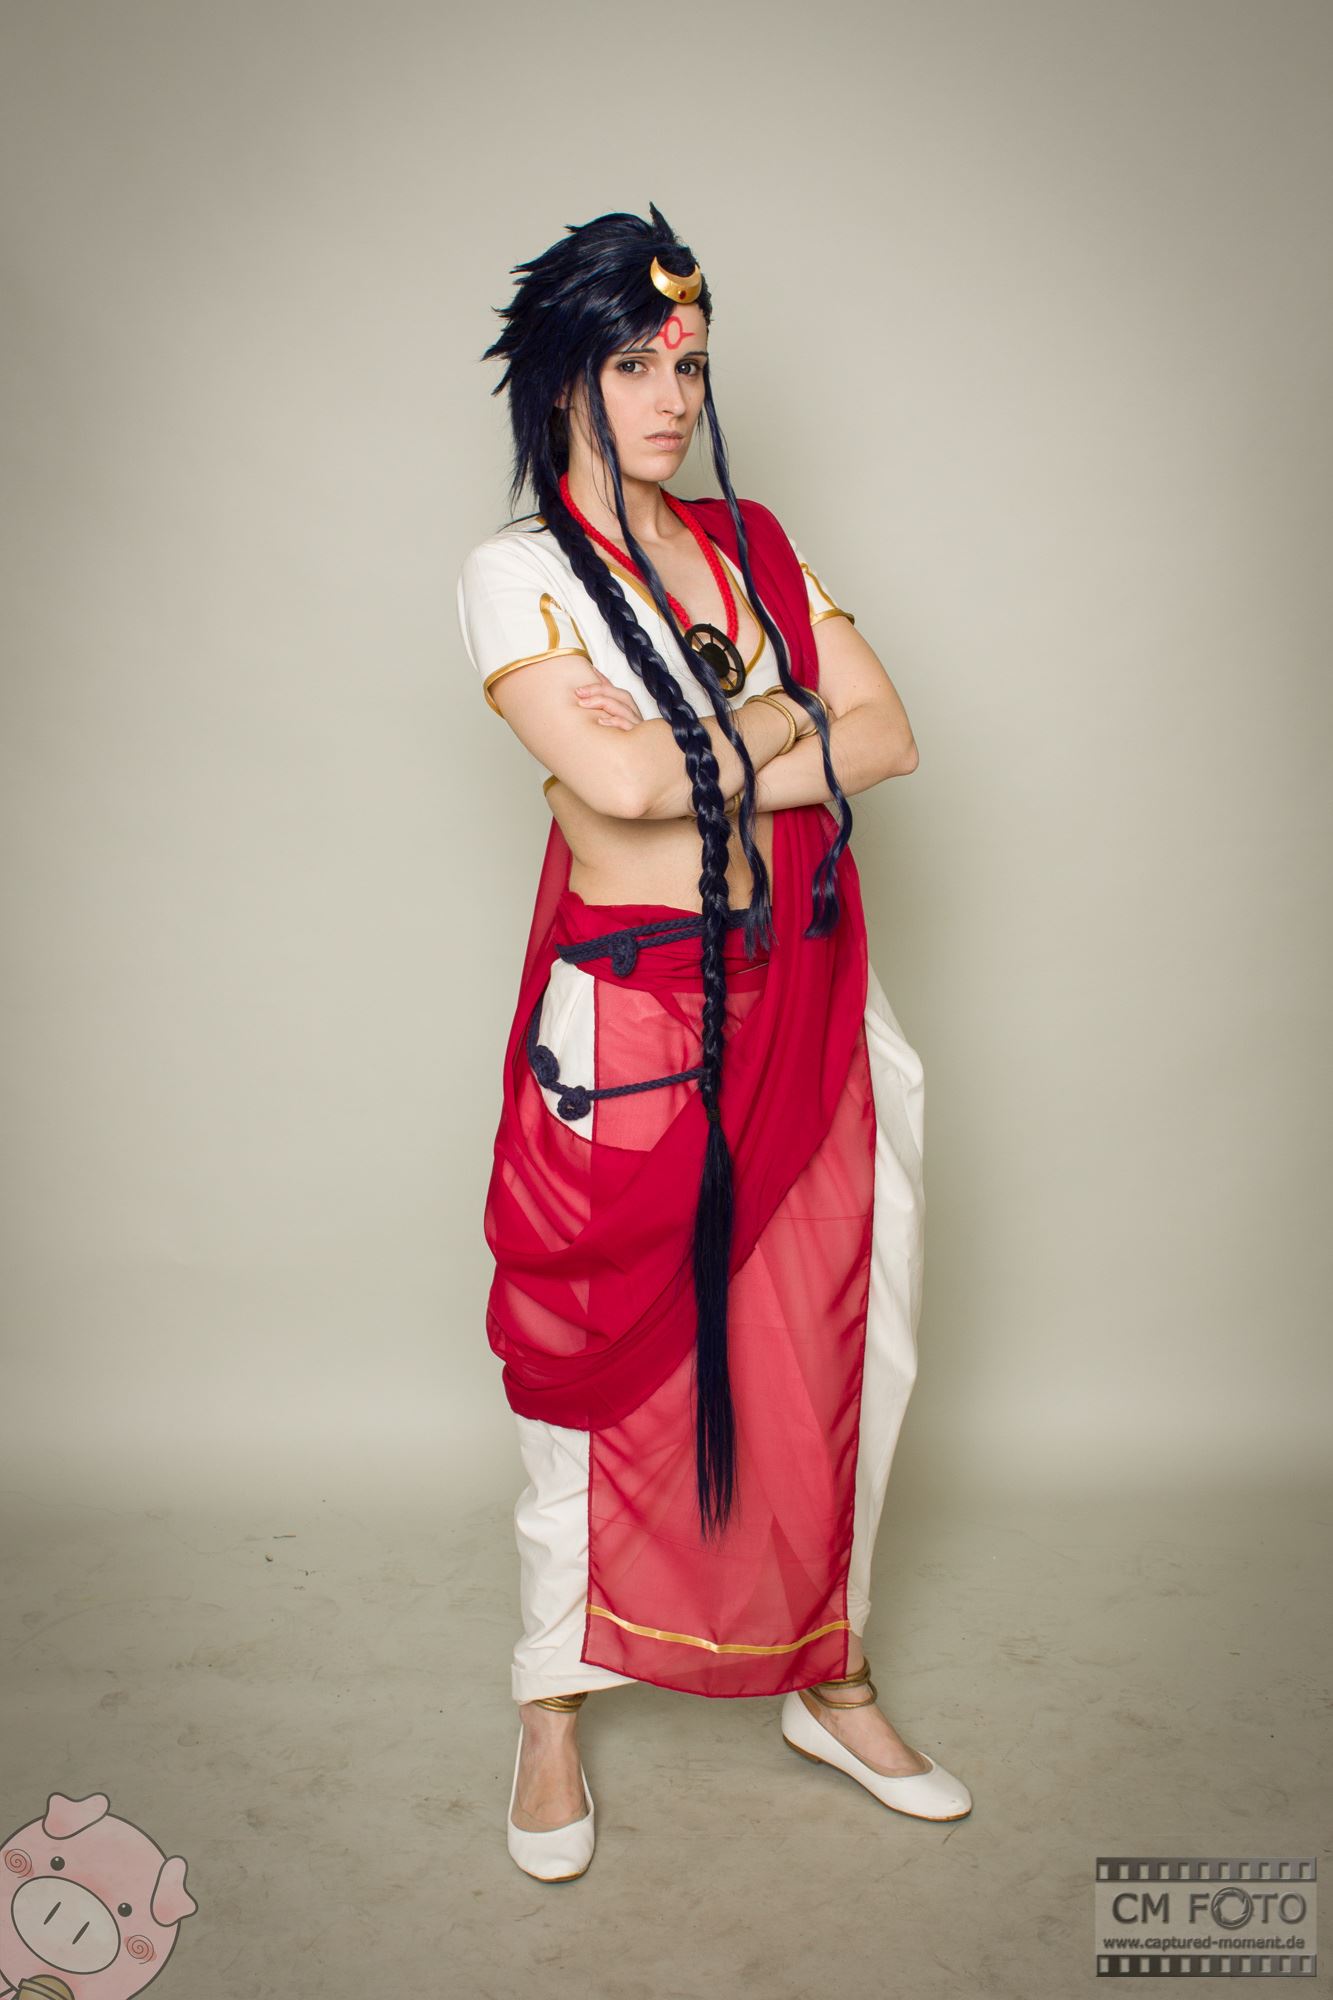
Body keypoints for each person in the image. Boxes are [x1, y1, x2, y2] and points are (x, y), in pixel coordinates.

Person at [456, 204, 972, 1882]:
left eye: (688, 367)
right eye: (632, 365)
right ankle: (549, 1706)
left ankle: (830, 1679)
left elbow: (887, 735)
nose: (671, 398)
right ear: (562, 380)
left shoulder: (751, 545)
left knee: (849, 1345)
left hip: (809, 991)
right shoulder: (518, 575)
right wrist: (777, 721)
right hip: (633, 1021)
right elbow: (608, 792)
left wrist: (690, 744)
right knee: (595, 1370)